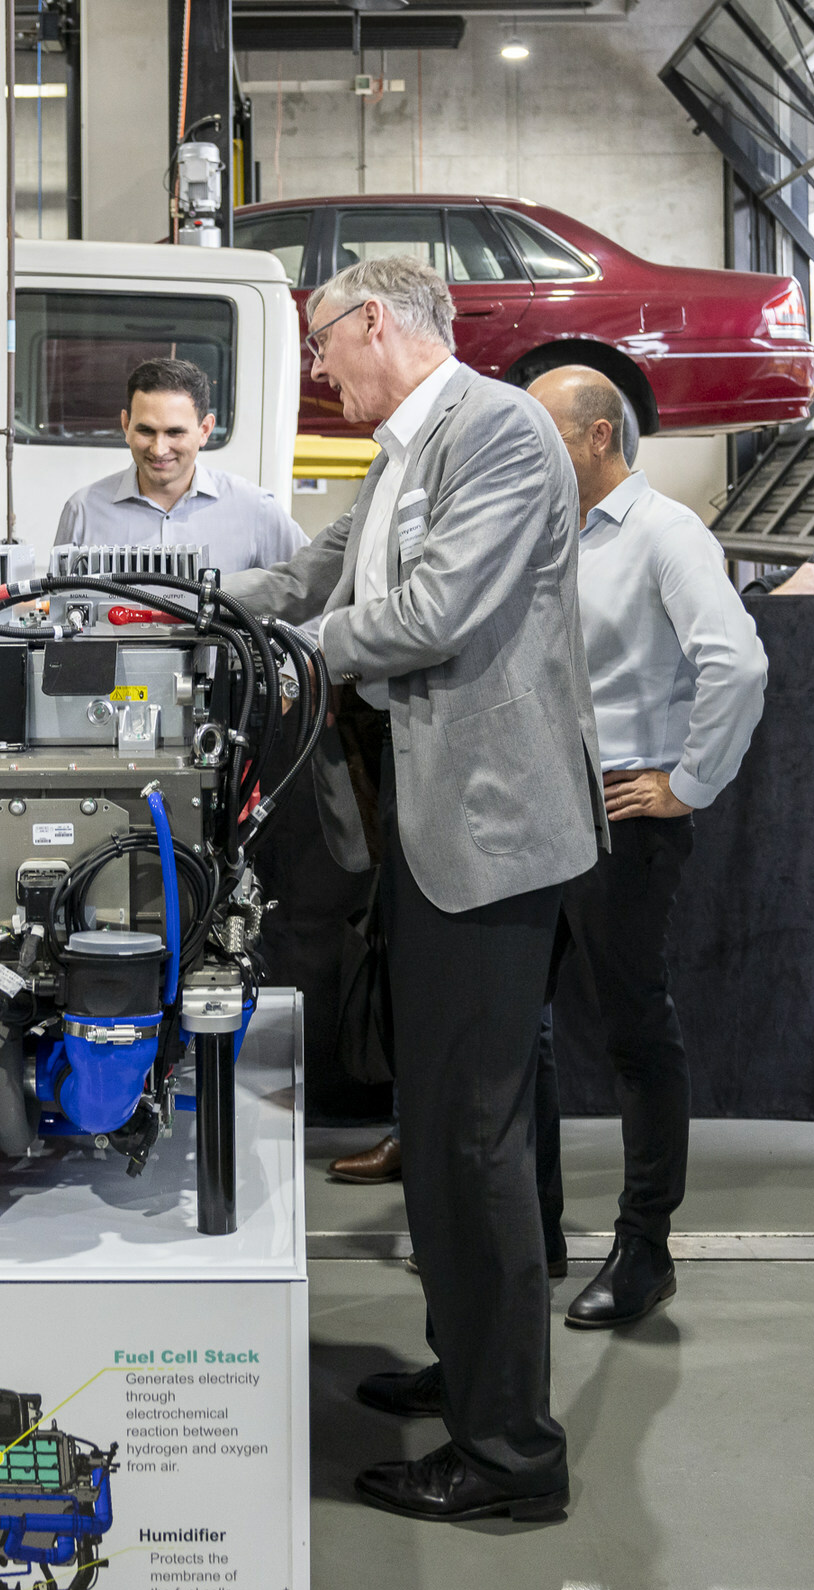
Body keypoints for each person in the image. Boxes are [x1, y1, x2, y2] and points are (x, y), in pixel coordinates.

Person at [224, 254, 605, 1525]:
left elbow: (431, 612)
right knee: (437, 1133)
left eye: (323, 342)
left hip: (493, 840)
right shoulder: (404, 450)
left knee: (472, 1141)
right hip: (431, 831)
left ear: (375, 320)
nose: (319, 368)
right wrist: (174, 618)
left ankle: (510, 1458)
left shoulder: (496, 432)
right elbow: (311, 579)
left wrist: (285, 656)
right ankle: (469, 1370)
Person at [524, 367, 768, 1327]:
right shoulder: (546, 535)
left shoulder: (666, 533)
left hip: (626, 821)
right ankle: (530, 1229)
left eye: (544, 433)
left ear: (596, 437)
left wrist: (688, 784)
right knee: (516, 1026)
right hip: (537, 811)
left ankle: (644, 1248)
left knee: (633, 1032)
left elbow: (737, 663)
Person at [52, 357, 307, 572]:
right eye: (146, 431)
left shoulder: (255, 510)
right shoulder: (84, 511)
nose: (159, 449)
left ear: (204, 429)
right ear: (126, 425)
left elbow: (314, 597)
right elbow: (57, 610)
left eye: (174, 432)